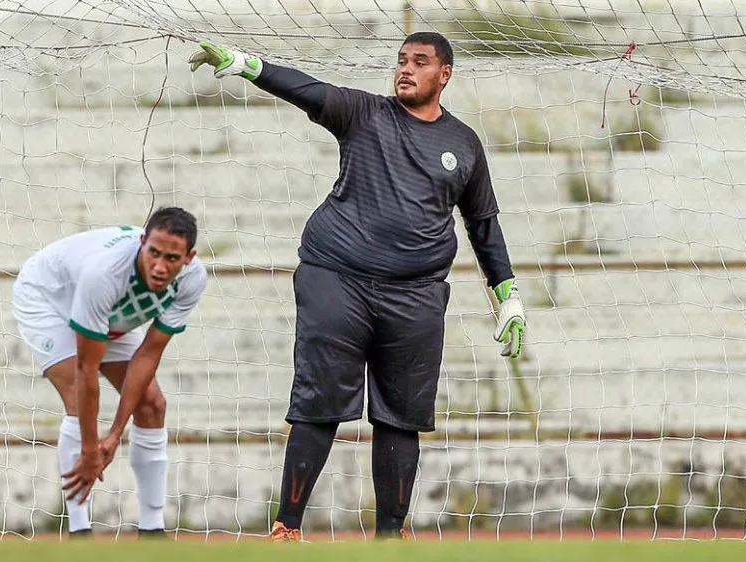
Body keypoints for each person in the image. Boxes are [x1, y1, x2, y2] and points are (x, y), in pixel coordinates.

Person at [190, 31, 526, 541]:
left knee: (402, 416)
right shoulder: (364, 113)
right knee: (320, 401)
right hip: (337, 277)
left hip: (416, 293)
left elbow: (483, 224)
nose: (406, 69)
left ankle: (391, 537)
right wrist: (244, 63)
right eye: (401, 60)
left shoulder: (463, 143)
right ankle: (287, 527)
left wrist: (508, 297)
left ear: (444, 75)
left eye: (420, 62)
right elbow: (307, 89)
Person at [11, 207, 207, 537]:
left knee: (152, 405)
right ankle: (80, 533)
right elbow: (87, 370)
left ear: (189, 258)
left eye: (172, 258)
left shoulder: (193, 280)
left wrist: (115, 433)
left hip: (110, 312)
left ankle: (152, 532)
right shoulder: (104, 274)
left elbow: (149, 354)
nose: (160, 267)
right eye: (154, 253)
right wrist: (91, 449)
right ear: (142, 242)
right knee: (77, 398)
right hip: (49, 298)